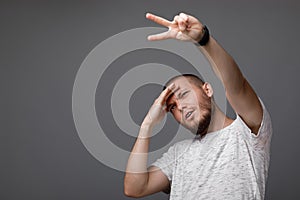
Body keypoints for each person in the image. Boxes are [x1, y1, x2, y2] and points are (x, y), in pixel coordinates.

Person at [124, 12, 272, 200]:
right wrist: (147, 126)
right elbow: (134, 188)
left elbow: (237, 85)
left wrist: (203, 39)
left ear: (208, 90)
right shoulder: (179, 154)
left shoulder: (247, 133)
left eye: (184, 94)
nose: (181, 108)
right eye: (172, 108)